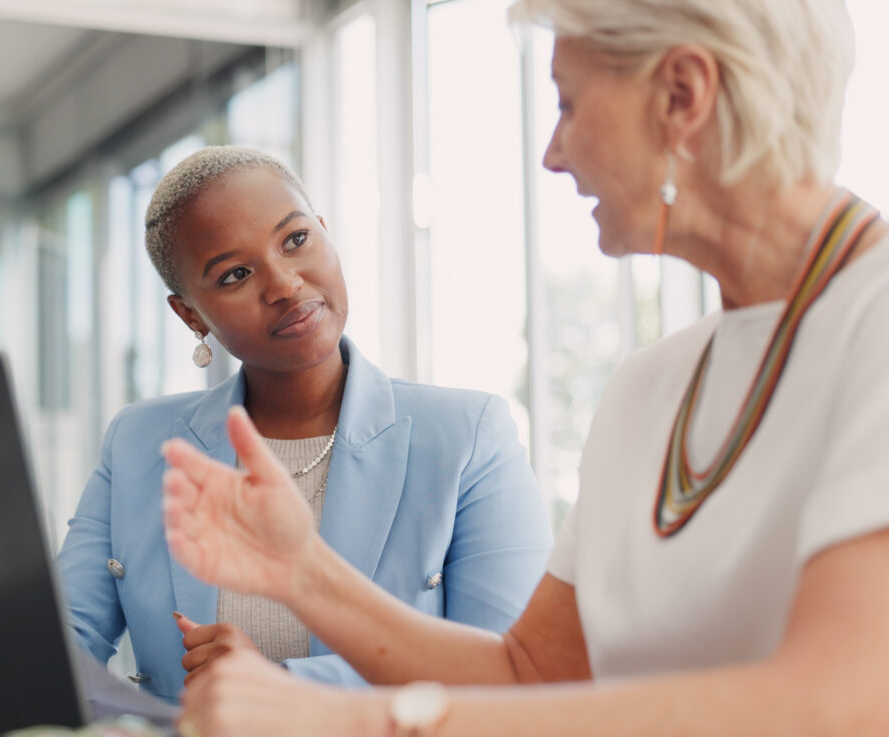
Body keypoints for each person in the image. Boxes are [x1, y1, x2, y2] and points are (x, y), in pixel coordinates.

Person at [159, 1, 889, 734]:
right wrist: (303, 571)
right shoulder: (650, 386)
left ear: (681, 96)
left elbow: (839, 702)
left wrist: (358, 719)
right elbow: (530, 676)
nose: (553, 153)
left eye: (568, 104)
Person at [55, 145, 552, 704]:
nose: (285, 284)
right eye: (235, 274)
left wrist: (285, 687)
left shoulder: (466, 436)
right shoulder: (140, 442)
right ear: (191, 314)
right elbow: (56, 652)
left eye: (295, 240)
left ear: (323, 229)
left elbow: (516, 680)